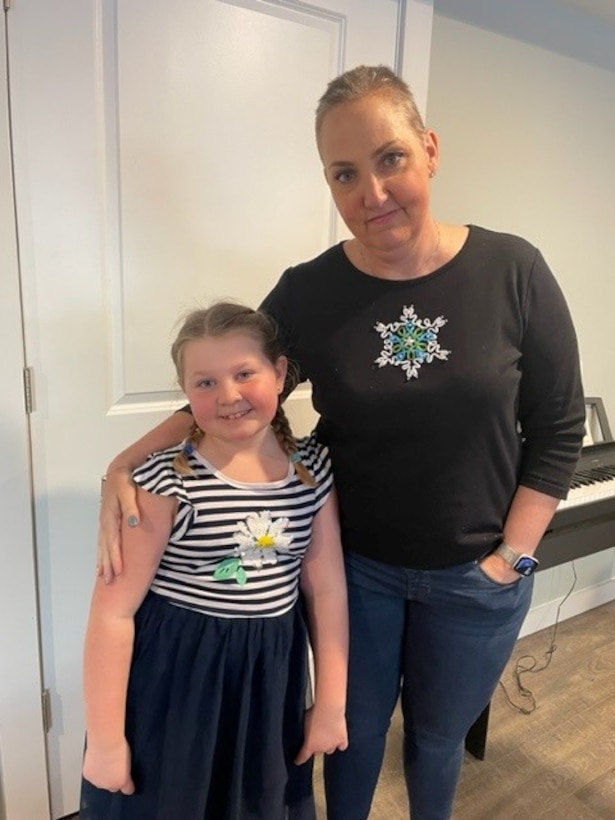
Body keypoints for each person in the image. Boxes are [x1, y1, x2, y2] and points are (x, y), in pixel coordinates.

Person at [97, 66, 585, 820]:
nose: (371, 192)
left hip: (475, 576)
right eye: (344, 173)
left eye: (389, 158)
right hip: (355, 572)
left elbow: (555, 427)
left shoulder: (510, 270)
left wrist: (510, 558)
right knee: (349, 737)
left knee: (434, 739)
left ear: (428, 149)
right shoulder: (309, 291)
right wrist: (124, 464)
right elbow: (238, 384)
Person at [81, 302, 348, 820]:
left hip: (272, 675)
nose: (227, 395)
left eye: (244, 373)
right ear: (185, 393)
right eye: (204, 383)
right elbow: (111, 614)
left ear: (280, 372)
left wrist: (331, 702)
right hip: (178, 678)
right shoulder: (165, 482)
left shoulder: (311, 468)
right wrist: (108, 741)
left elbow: (328, 587)